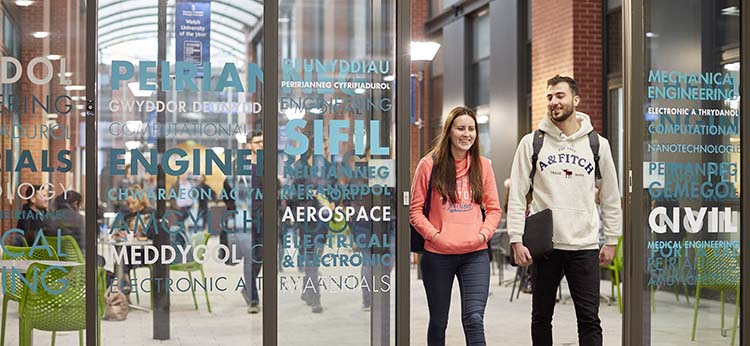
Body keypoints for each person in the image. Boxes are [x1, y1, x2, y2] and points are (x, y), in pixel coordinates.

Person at [507, 75, 622, 346]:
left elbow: (611, 196)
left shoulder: (597, 144)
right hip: (546, 247)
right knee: (541, 317)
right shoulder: (531, 143)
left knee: (589, 320)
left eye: (559, 95)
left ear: (576, 99)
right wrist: (515, 238)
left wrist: (612, 239)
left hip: (584, 245)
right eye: (549, 97)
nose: (554, 102)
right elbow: (517, 195)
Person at [409, 106, 502, 346]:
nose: (466, 134)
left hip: (475, 255)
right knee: (439, 322)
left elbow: (493, 209)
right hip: (438, 255)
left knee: (473, 319)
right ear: (448, 131)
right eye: (461, 128)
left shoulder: (483, 166)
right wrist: (437, 237)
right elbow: (415, 211)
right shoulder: (428, 165)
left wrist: (482, 235)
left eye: (471, 129)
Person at [46, 190, 85, 255]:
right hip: (76, 258)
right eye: (79, 205)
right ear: (75, 204)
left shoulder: (48, 218)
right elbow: (86, 243)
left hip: (54, 258)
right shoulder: (80, 219)